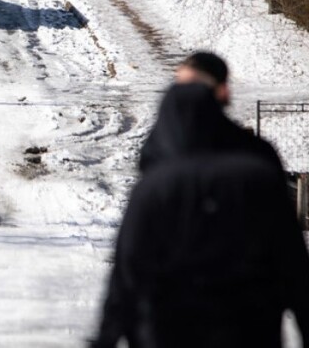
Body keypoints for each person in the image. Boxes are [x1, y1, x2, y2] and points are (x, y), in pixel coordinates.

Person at [92, 83, 309, 348]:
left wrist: (106, 337)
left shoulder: (153, 188)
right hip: (248, 329)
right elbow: (293, 264)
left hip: (167, 330)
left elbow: (128, 271)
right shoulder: (257, 178)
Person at [139, 52, 283, 173]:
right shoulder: (256, 153)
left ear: (223, 91)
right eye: (181, 85)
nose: (185, 93)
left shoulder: (153, 152)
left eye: (195, 85)